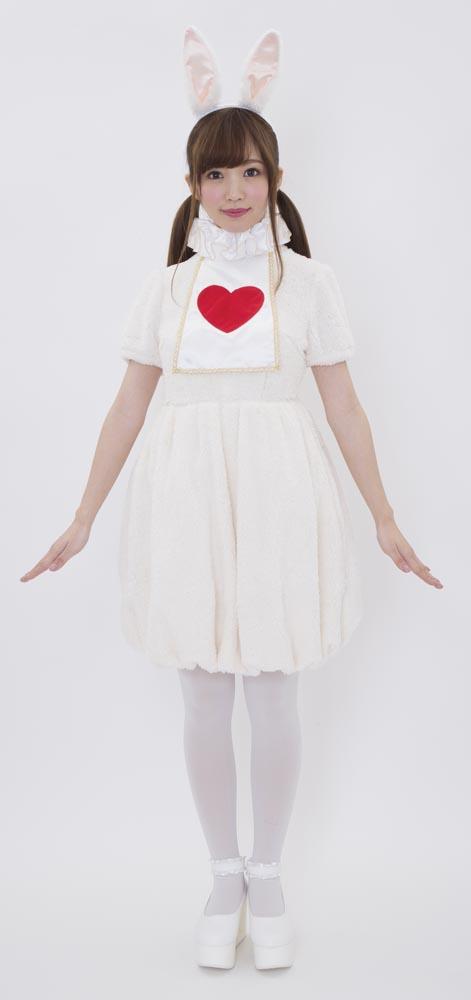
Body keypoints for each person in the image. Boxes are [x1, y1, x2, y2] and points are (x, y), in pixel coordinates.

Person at [19, 26, 444, 972]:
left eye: (250, 171)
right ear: (192, 185)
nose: (234, 190)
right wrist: (83, 516)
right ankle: (222, 876)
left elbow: (343, 404)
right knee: (205, 695)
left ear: (276, 178)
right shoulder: (167, 290)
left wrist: (383, 516)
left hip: (282, 492)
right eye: (216, 174)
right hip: (185, 499)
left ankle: (269, 873)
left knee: (275, 689)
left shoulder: (310, 285)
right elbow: (128, 405)